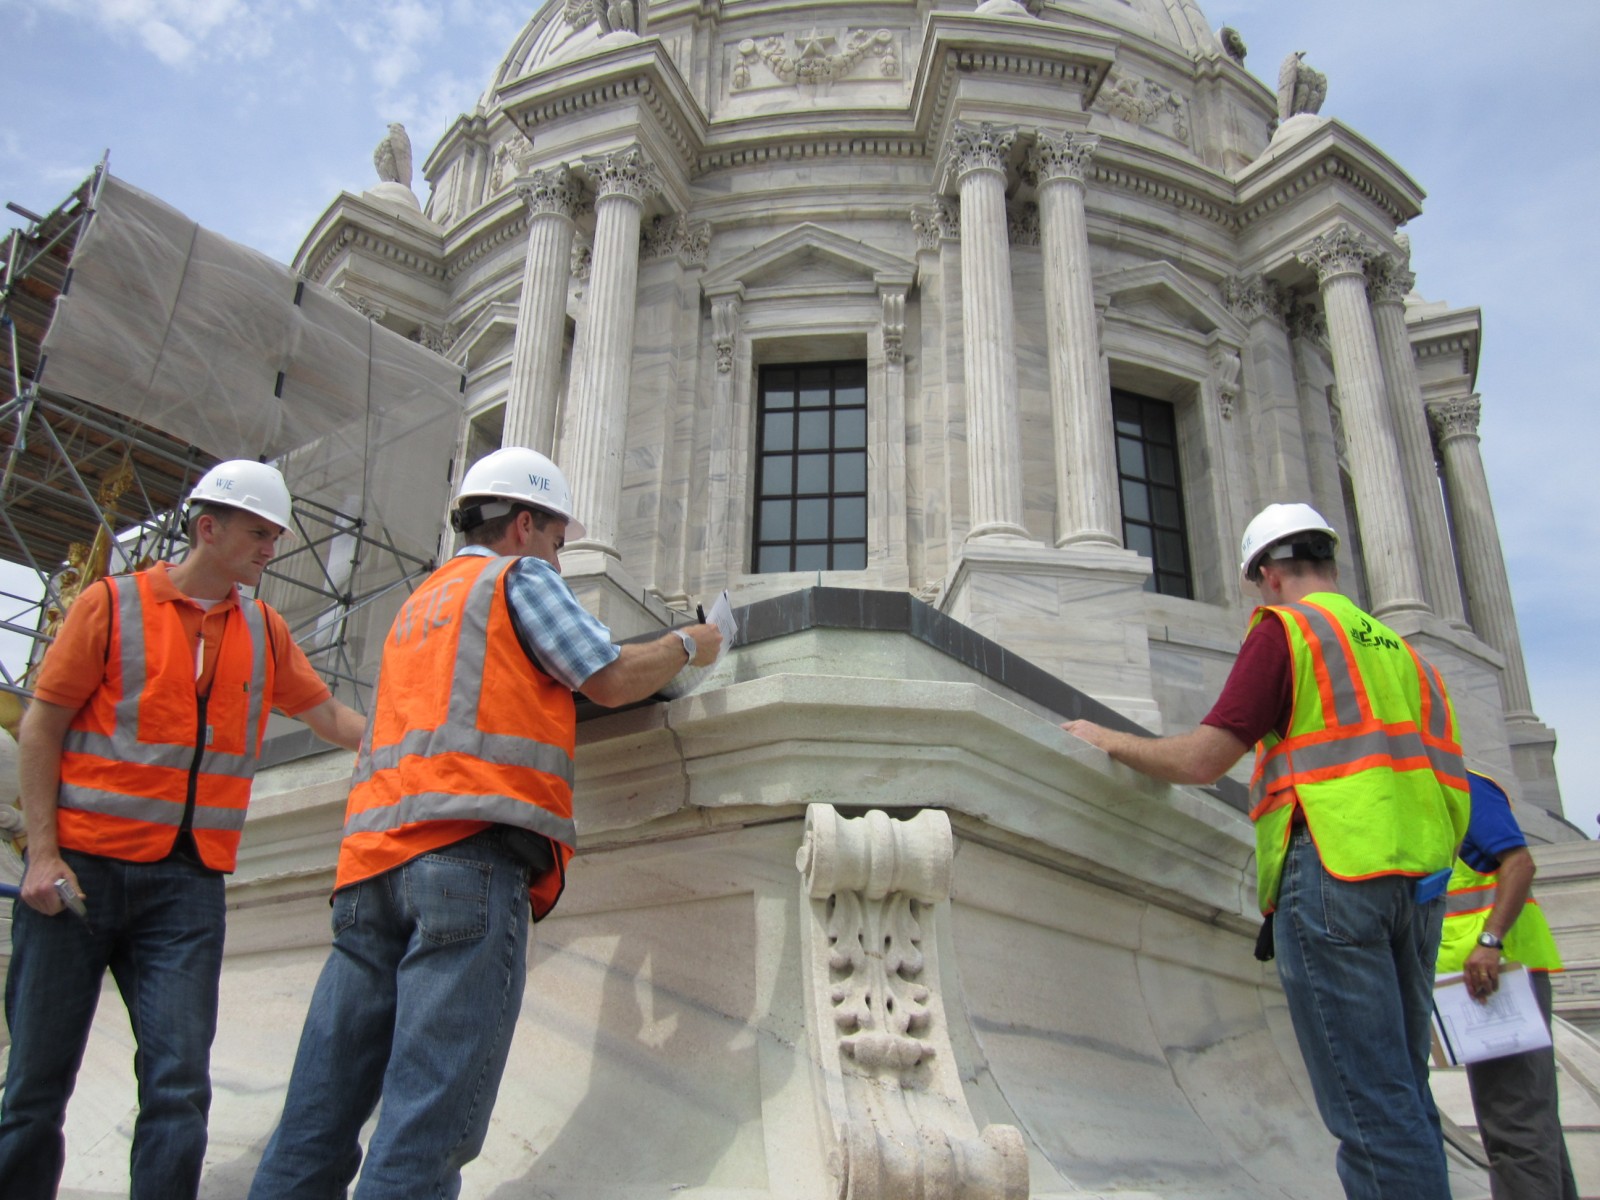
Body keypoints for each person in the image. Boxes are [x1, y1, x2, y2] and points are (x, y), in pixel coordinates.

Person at [247, 446, 723, 1199]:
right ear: (524, 525)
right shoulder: (516, 578)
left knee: (315, 1120)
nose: (558, 562)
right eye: (558, 542)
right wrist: (689, 644)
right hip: (464, 864)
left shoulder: (418, 604)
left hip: (368, 874)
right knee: (423, 1130)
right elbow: (607, 676)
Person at [1064, 502, 1469, 1200]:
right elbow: (1449, 782)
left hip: (1337, 873)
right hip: (1418, 887)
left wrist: (1109, 740)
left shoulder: (1289, 631)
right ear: (1329, 563)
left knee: (1370, 1110)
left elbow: (1203, 760)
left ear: (1268, 575)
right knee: (1404, 1095)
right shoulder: (1407, 656)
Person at [0, 460, 368, 1200]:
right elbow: (41, 726)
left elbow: (329, 716)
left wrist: (419, 748)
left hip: (186, 886)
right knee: (36, 1084)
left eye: (274, 536)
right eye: (259, 534)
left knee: (179, 1085)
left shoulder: (263, 629)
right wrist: (41, 855)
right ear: (208, 528)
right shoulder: (112, 606)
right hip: (78, 875)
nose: (271, 549)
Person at [1436, 770, 1578, 1200]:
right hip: (1472, 980)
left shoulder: (1465, 787)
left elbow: (1520, 864)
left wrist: (1489, 941)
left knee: (1513, 1121)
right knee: (1527, 1118)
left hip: (1495, 976)